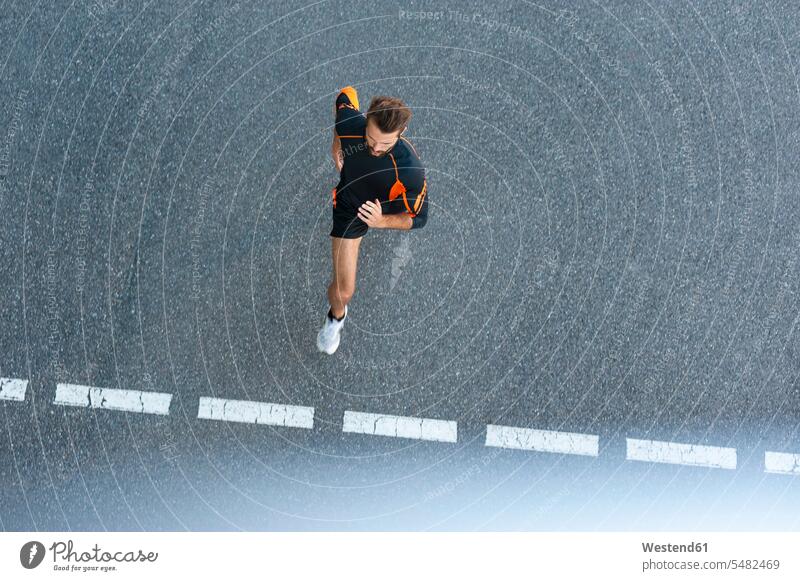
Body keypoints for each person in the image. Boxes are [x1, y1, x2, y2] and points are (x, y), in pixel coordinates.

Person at [317, 86, 429, 355]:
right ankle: (335, 319)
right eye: (371, 139)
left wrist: (381, 221)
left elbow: (420, 218)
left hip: (385, 206)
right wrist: (336, 147)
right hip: (350, 207)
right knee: (344, 292)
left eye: (386, 144)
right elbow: (346, 94)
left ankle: (377, 219)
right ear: (365, 121)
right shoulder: (350, 125)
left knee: (399, 206)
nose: (376, 148)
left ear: (401, 134)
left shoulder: (411, 171)